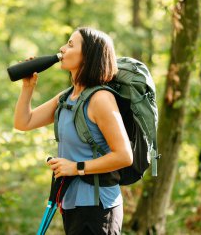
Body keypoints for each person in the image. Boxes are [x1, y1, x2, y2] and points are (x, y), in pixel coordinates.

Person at [14, 27, 133, 235]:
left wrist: (75, 167)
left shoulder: (101, 99)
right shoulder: (67, 97)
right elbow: (24, 122)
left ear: (88, 56)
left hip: (98, 208)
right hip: (72, 204)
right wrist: (28, 87)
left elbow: (124, 156)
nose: (62, 48)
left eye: (71, 44)